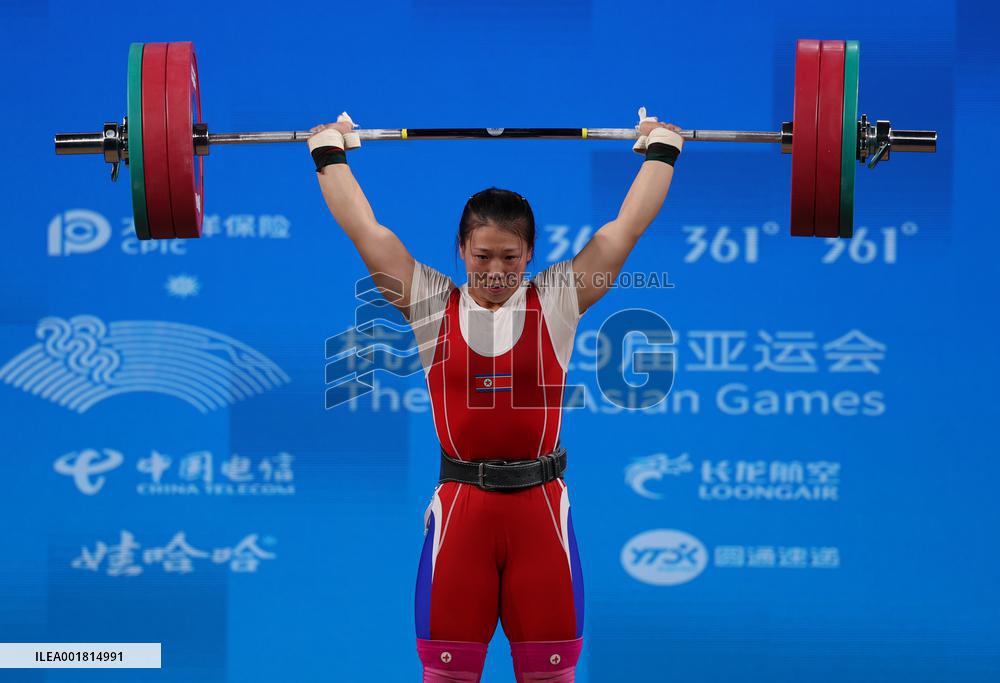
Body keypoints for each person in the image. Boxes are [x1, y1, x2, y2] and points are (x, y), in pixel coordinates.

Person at [308, 110, 682, 683]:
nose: (495, 271)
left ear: (530, 255)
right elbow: (367, 231)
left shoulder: (558, 299)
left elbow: (623, 229)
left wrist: (662, 150)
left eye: (510, 258)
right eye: (482, 257)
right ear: (460, 249)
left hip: (540, 516)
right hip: (463, 514)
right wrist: (328, 153)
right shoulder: (430, 303)